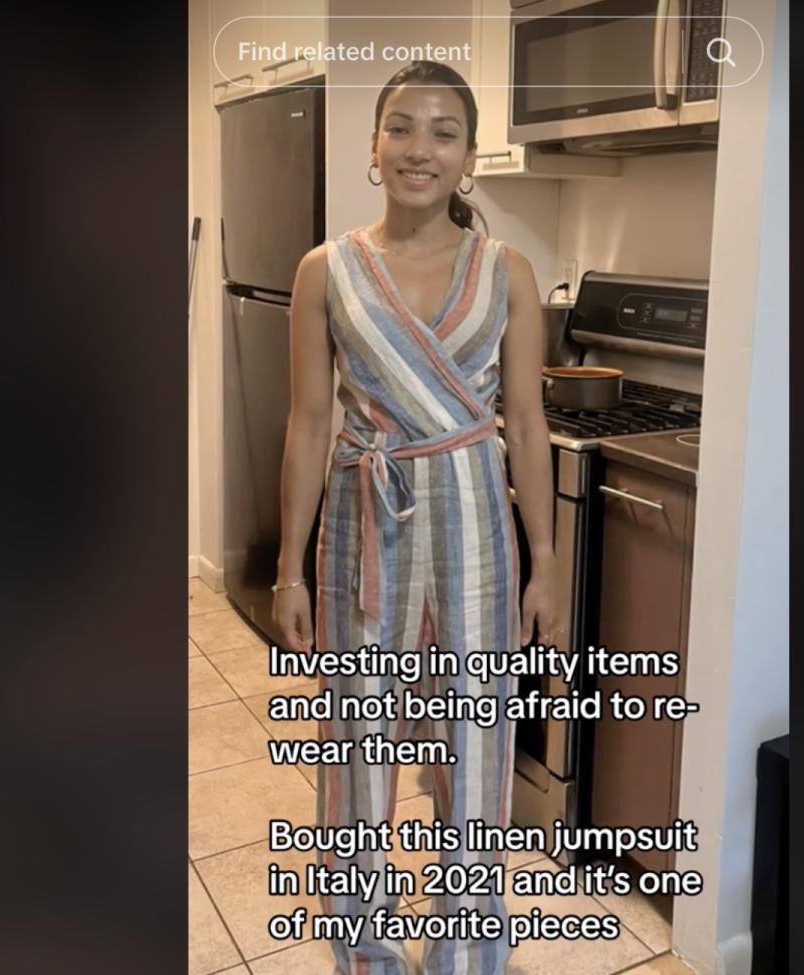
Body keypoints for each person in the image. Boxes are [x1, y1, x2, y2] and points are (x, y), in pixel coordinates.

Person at [271, 60, 558, 975]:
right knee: (362, 738)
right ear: (374, 146)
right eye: (401, 126)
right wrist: (287, 569)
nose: (418, 148)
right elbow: (310, 422)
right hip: (365, 527)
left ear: (469, 156)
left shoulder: (508, 270)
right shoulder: (327, 270)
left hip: (475, 519)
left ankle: (467, 952)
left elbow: (527, 421)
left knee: (474, 742)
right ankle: (367, 950)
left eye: (442, 131)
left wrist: (545, 561)